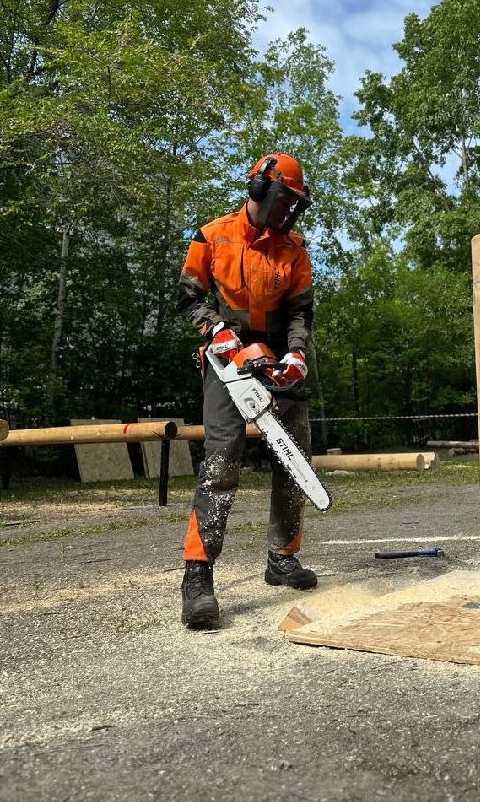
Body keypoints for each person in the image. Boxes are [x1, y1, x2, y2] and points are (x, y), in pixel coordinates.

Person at [177, 153, 317, 629]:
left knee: (294, 456)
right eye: (282, 200)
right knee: (222, 457)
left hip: (276, 355)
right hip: (225, 356)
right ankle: (198, 575)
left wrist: (296, 353)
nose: (285, 212)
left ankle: (282, 557)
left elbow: (301, 312)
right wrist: (213, 327)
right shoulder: (212, 236)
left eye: (291, 204)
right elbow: (189, 295)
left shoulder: (294, 248)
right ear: (260, 188)